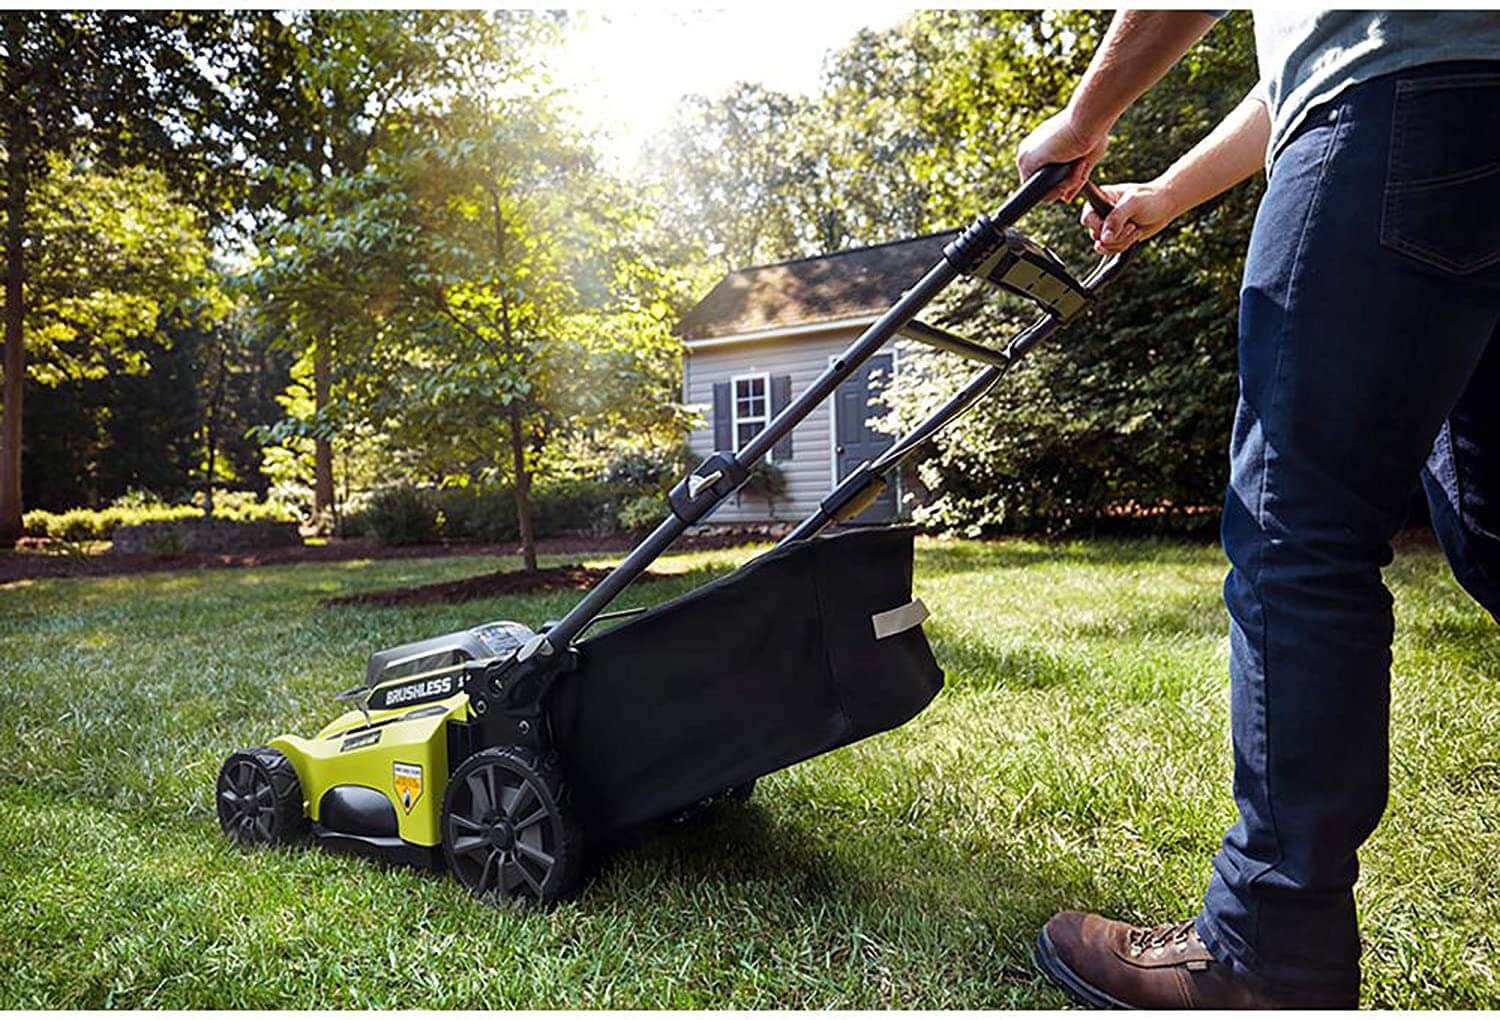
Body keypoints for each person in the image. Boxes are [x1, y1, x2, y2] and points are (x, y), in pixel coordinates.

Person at [1015, 10, 1500, 1009]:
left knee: (1297, 526)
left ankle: (1266, 944)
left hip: (1401, 117)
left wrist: (1084, 118)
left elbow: (1360, 50)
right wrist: (1159, 196)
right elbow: (1300, 71)